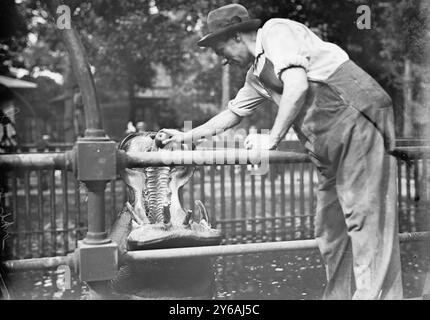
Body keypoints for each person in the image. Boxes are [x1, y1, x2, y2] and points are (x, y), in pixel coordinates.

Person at [160, 4, 402, 299]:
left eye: (218, 48)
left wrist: (271, 140)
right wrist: (186, 136)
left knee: (366, 222)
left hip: (356, 120)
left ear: (236, 36)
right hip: (328, 141)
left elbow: (297, 85)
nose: (221, 60)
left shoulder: (276, 32)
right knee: (330, 229)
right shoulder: (256, 75)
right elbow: (231, 114)